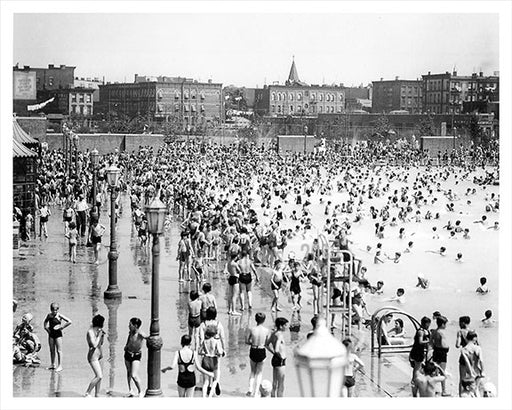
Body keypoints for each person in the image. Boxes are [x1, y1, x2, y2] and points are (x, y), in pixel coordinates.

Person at [245, 312, 270, 397]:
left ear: (256, 319)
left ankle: (250, 389)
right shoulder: (266, 330)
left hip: (253, 349)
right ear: (264, 320)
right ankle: (256, 392)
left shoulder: (252, 329)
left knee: (252, 371)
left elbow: (247, 341)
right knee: (259, 373)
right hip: (261, 350)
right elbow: (266, 343)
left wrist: (252, 342)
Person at [43, 302, 72, 372]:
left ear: (58, 309)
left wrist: (62, 327)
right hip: (51, 334)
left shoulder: (59, 316)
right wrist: (47, 329)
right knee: (52, 350)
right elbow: (45, 322)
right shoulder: (49, 315)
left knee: (59, 350)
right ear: (51, 309)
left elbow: (69, 321)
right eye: (53, 310)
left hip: (58, 334)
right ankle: (53, 364)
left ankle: (60, 365)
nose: (54, 311)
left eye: (56, 310)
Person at [124, 317, 148, 397]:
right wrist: (126, 345)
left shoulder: (140, 333)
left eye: (130, 324)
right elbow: (129, 339)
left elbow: (146, 337)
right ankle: (131, 390)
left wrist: (151, 338)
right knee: (128, 372)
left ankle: (140, 391)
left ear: (135, 325)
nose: (128, 326)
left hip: (136, 355)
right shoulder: (130, 332)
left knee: (134, 374)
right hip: (128, 353)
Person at [266, 317, 289, 397]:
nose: (287, 327)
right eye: (285, 325)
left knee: (275, 381)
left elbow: (266, 344)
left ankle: (273, 397)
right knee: (281, 383)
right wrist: (280, 356)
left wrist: (273, 353)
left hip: (275, 359)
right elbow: (276, 349)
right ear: (281, 326)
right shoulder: (279, 335)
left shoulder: (273, 333)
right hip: (280, 360)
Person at [409, 316, 431, 397]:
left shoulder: (421, 331)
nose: (428, 326)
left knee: (417, 367)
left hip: (417, 351)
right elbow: (420, 341)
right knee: (417, 367)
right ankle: (414, 381)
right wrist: (429, 340)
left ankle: (414, 381)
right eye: (428, 324)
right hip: (417, 351)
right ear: (425, 324)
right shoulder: (421, 332)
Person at [84, 314, 106, 397]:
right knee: (99, 376)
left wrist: (102, 336)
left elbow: (101, 343)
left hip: (100, 355)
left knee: (100, 377)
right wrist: (99, 335)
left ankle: (97, 394)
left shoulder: (99, 331)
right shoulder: (90, 332)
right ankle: (88, 392)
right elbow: (94, 344)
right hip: (93, 356)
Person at [459, 331, 484, 397]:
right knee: (477, 389)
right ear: (475, 338)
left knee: (469, 390)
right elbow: (481, 360)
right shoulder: (478, 348)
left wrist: (470, 372)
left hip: (469, 372)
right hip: (477, 371)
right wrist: (483, 371)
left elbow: (467, 362)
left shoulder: (463, 349)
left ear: (467, 338)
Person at [430, 315, 451, 396]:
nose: (446, 326)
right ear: (442, 324)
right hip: (442, 352)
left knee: (434, 371)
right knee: (442, 372)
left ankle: (432, 388)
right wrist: (447, 347)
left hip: (435, 351)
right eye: (445, 324)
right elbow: (443, 344)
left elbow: (431, 343)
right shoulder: (442, 332)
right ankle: (444, 390)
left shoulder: (434, 331)